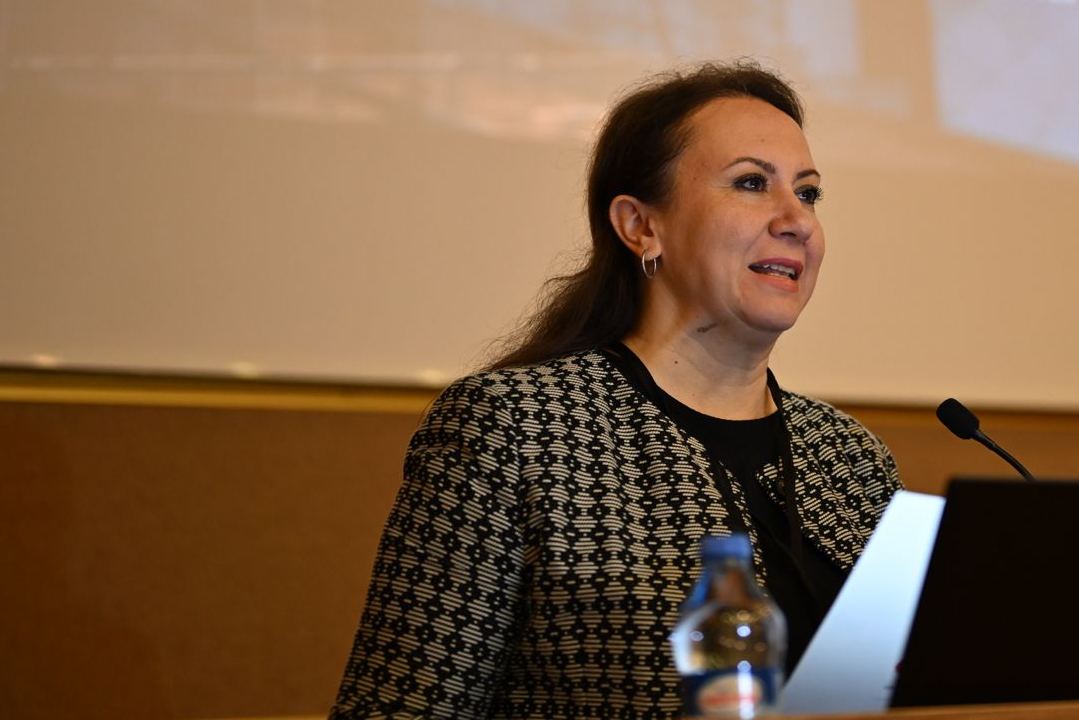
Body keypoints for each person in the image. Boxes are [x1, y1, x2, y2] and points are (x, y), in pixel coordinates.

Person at [330, 60, 903, 719]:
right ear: (640, 226)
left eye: (809, 193)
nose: (796, 219)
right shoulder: (513, 428)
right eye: (752, 183)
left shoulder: (852, 457)